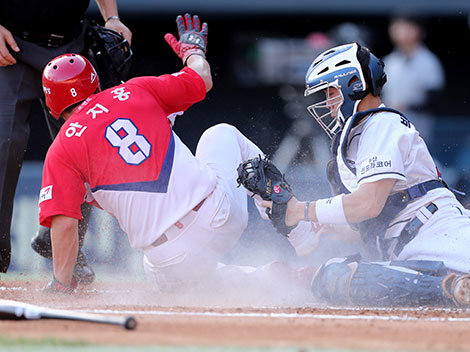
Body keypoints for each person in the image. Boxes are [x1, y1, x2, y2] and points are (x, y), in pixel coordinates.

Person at [38, 14, 300, 298]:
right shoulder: (133, 90)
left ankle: (262, 276)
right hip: (216, 218)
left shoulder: (61, 148)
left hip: (168, 257)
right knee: (221, 134)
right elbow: (202, 79)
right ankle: (297, 235)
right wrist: (193, 52)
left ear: (52, 105)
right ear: (95, 82)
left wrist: (62, 284)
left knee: (159, 269)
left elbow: (64, 224)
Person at [255, 42, 470, 306]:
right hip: (406, 246)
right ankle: (450, 289)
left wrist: (301, 210)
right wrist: (321, 228)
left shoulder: (381, 124)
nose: (329, 103)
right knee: (333, 275)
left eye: (331, 92)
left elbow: (368, 203)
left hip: (436, 229)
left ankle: (451, 286)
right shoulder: (361, 135)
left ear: (353, 85)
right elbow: (370, 219)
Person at [0, 0, 132, 277]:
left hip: (70, 46)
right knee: (4, 141)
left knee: (87, 143)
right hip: (11, 43)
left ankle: (65, 249)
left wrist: (112, 17)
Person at [381, 13, 444, 140]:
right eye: (398, 27)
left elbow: (434, 100)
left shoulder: (428, 61)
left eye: (407, 27)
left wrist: (407, 106)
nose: (402, 31)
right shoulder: (390, 61)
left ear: (419, 31)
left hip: (419, 128)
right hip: (389, 126)